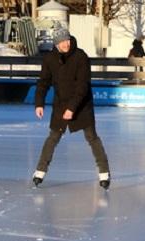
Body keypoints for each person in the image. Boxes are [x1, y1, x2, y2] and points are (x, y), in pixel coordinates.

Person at [32, 29, 112, 190]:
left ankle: (104, 173)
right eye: (62, 41)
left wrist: (72, 108)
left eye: (67, 40)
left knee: (92, 137)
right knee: (53, 137)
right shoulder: (50, 58)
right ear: (56, 43)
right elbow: (43, 82)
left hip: (81, 105)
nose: (66, 43)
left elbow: (82, 86)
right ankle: (40, 171)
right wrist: (39, 103)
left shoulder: (80, 57)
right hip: (61, 104)